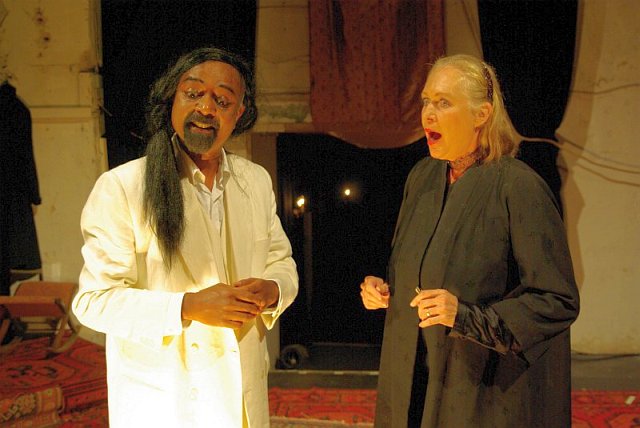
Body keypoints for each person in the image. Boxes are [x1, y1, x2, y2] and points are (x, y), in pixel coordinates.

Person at [72, 47, 298, 427]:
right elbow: (93, 302)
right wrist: (187, 307)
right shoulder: (124, 186)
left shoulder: (255, 181)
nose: (206, 108)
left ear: (239, 113)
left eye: (222, 100)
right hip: (167, 400)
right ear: (172, 100)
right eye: (193, 93)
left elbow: (281, 260)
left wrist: (273, 289)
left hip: (242, 394)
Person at [360, 54, 579, 427]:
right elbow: (422, 268)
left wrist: (464, 317)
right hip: (417, 374)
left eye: (443, 103)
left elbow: (556, 300)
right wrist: (386, 289)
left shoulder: (519, 186)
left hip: (483, 391)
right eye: (426, 101)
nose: (428, 114)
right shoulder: (422, 178)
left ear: (482, 114)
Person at [0, 81, 42, 297]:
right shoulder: (19, 110)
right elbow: (27, 156)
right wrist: (35, 196)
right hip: (14, 193)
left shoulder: (18, 111)